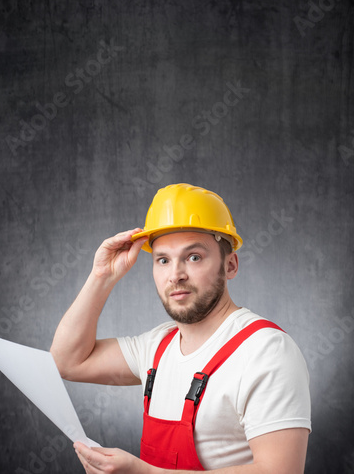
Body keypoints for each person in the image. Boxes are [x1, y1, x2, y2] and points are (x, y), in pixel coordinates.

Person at [50, 183, 311, 474]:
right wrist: (102, 276)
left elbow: (282, 472)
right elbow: (66, 362)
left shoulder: (266, 351)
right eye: (163, 260)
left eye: (194, 257)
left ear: (230, 265)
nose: (175, 275)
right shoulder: (156, 346)